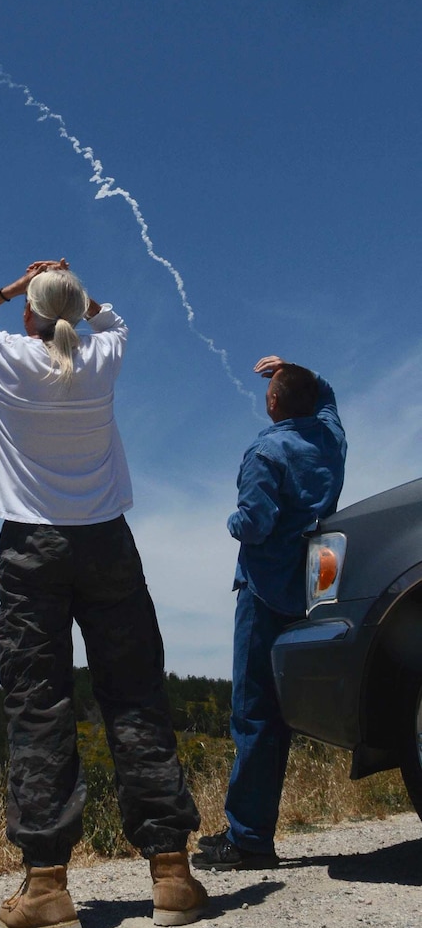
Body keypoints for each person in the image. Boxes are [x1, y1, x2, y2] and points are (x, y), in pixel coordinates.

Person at [0, 260, 207, 928]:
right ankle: (171, 872)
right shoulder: (101, 358)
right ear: (75, 311)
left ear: (27, 316)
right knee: (136, 694)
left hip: (31, 548)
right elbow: (114, 322)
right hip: (108, 542)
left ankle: (48, 886)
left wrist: (5, 287)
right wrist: (78, 295)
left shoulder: (3, 354)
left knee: (40, 705)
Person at [193, 356, 346, 872]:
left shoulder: (265, 450)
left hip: (263, 592)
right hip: (312, 586)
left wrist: (231, 521)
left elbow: (254, 523)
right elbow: (326, 400)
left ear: (273, 401)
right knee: (281, 712)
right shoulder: (329, 442)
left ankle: (250, 838)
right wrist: (299, 369)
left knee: (254, 713)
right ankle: (251, 829)